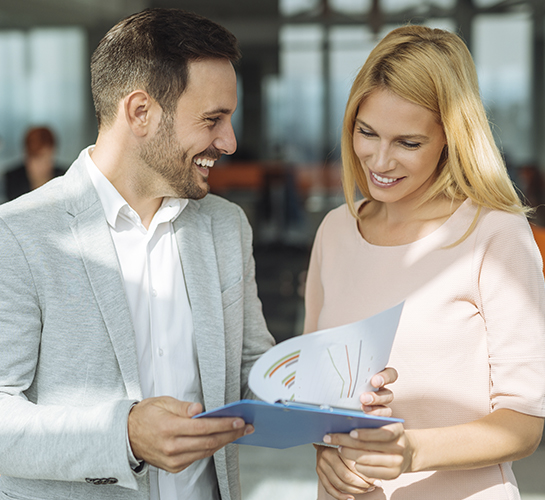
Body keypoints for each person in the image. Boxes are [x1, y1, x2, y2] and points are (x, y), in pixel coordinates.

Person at [0, 8, 278, 500]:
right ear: (140, 112)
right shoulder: (19, 236)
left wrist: (330, 386)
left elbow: (251, 373)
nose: (230, 141)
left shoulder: (225, 227)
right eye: (213, 119)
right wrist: (123, 434)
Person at [304, 25, 545, 500]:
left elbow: (525, 424)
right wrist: (324, 451)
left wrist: (411, 451)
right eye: (366, 132)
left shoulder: (495, 234)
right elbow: (315, 392)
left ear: (450, 139)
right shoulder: (335, 230)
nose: (379, 159)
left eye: (408, 143)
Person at [4, 126, 65, 201]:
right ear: (27, 157)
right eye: (38, 159)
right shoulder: (13, 179)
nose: (43, 165)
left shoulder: (64, 177)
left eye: (47, 159)